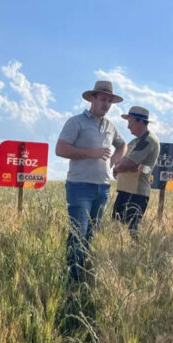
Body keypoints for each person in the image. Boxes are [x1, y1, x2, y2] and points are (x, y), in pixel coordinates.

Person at [55, 80, 127, 282]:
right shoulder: (76, 122)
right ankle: (72, 279)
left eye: (109, 101)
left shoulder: (111, 126)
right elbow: (60, 149)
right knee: (79, 233)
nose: (106, 104)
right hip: (79, 187)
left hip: (102, 188)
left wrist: (114, 160)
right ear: (92, 99)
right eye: (103, 99)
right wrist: (91, 153)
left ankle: (83, 274)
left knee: (91, 234)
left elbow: (123, 145)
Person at [112, 106, 160, 234]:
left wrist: (117, 168)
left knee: (130, 230)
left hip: (135, 193)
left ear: (140, 121)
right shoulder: (136, 141)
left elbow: (128, 163)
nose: (128, 127)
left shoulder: (147, 141)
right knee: (118, 228)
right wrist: (120, 166)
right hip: (126, 190)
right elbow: (123, 161)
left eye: (130, 122)